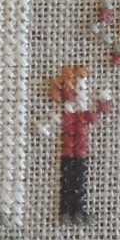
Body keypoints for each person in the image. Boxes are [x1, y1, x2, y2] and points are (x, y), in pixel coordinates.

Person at [48, 66, 112, 225]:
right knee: (72, 182)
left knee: (74, 182)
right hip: (72, 153)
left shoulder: (76, 113)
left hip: (77, 153)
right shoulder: (71, 113)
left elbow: (94, 116)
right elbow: (93, 116)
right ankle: (68, 212)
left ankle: (73, 212)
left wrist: (102, 105)